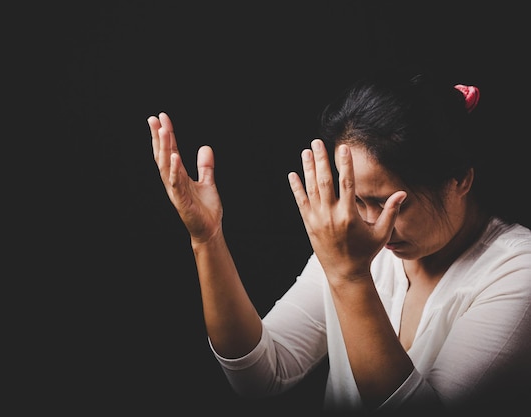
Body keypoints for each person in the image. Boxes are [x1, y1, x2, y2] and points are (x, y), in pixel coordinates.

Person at [147, 66, 531, 415]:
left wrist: (350, 276)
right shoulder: (354, 244)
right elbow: (261, 373)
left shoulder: (517, 271)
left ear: (459, 179)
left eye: (385, 202)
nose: (366, 223)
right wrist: (207, 238)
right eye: (356, 201)